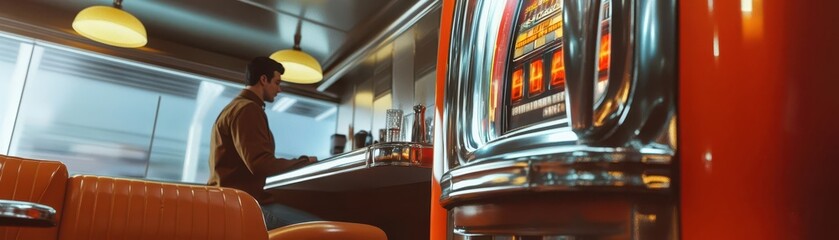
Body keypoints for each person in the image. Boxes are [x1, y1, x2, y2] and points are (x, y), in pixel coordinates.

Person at [208, 56, 320, 229]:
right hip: (241, 204)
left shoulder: (236, 107)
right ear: (263, 79)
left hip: (230, 200)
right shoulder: (248, 109)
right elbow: (260, 164)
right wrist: (304, 162)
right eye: (276, 82)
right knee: (318, 227)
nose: (279, 89)